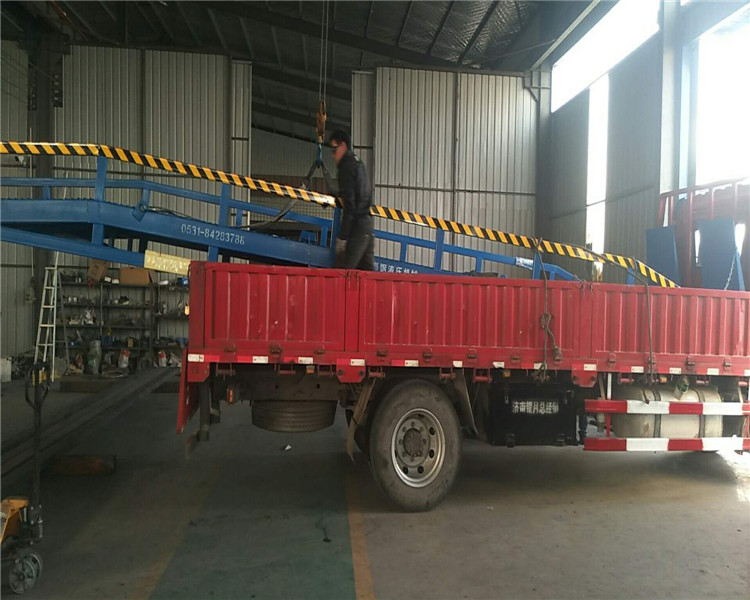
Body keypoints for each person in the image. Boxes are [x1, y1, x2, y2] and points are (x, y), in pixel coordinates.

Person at [329, 130, 375, 270]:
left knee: (343, 272)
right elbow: (358, 194)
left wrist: (343, 237)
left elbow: (350, 205)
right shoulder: (358, 162)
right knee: (367, 273)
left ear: (343, 145)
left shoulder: (346, 167)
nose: (333, 155)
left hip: (357, 227)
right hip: (367, 225)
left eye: (334, 150)